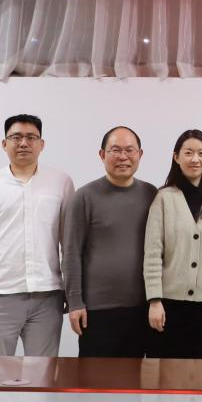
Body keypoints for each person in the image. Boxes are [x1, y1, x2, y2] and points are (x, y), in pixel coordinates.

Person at [0, 114, 75, 356]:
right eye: (16, 137)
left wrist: (71, 289)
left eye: (31, 137)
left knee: (42, 372)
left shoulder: (60, 182)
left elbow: (69, 241)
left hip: (47, 294)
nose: (24, 143)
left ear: (41, 144)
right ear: (4, 144)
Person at [63, 125, 158, 358]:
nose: (123, 157)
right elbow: (71, 253)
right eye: (115, 150)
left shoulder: (151, 194)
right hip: (97, 310)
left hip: (141, 308)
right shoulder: (85, 196)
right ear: (102, 154)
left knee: (136, 376)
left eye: (129, 150)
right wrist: (75, 303)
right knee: (94, 377)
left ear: (140, 154)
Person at [143, 129, 202, 359]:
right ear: (176, 157)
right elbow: (152, 253)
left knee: (194, 370)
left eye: (201, 153)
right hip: (166, 303)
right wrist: (154, 300)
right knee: (160, 371)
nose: (195, 159)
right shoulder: (163, 198)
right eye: (188, 153)